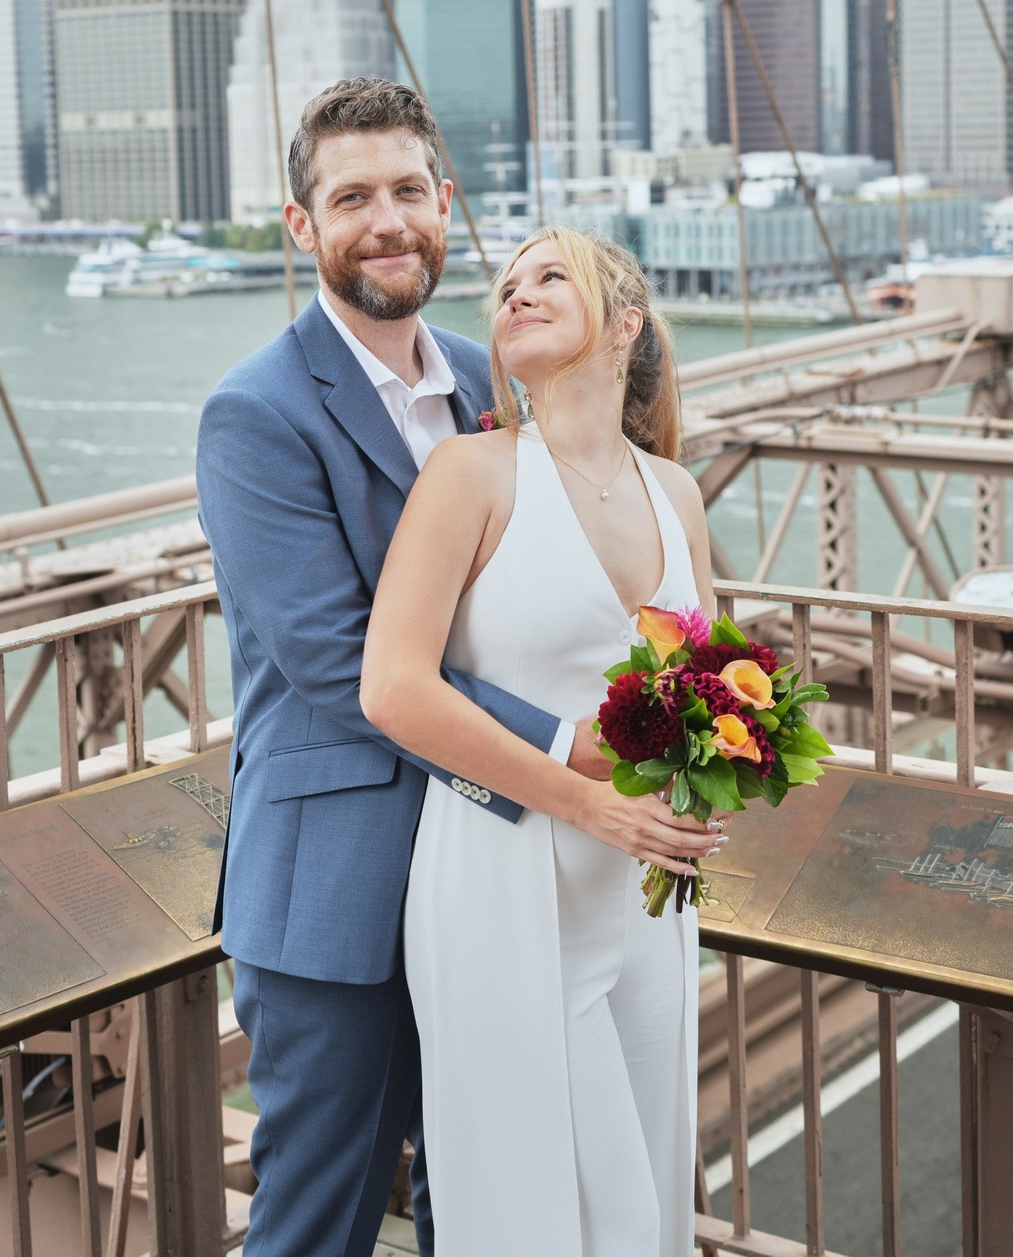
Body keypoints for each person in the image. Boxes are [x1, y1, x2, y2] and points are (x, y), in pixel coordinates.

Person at [194, 78, 716, 1257]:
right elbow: (339, 663)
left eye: (407, 190)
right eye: (350, 198)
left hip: (521, 882)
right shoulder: (256, 414)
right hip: (347, 880)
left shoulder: (503, 376)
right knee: (318, 1218)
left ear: (445, 203)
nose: (385, 219)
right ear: (301, 226)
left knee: (485, 1202)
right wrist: (577, 755)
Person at [361, 224, 718, 1256]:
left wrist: (715, 772)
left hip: (648, 895)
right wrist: (586, 799)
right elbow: (392, 688)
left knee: (645, 1199)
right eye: (507, 284)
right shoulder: (469, 475)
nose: (517, 293)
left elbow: (697, 694)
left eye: (551, 276)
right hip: (503, 878)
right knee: (546, 1208)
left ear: (626, 326)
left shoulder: (675, 492)